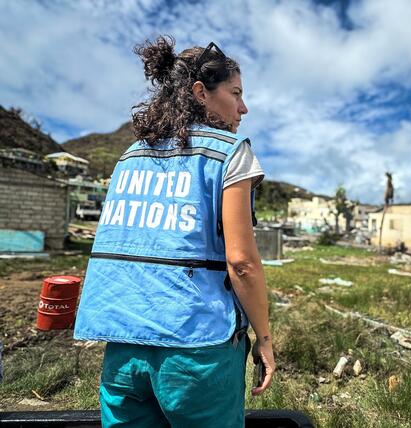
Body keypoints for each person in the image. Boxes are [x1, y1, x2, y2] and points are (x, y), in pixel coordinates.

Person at [73, 35, 275, 428]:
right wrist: (264, 340)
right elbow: (242, 263)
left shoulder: (130, 156)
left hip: (123, 346)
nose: (243, 107)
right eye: (235, 93)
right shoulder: (229, 152)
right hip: (196, 350)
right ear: (201, 92)